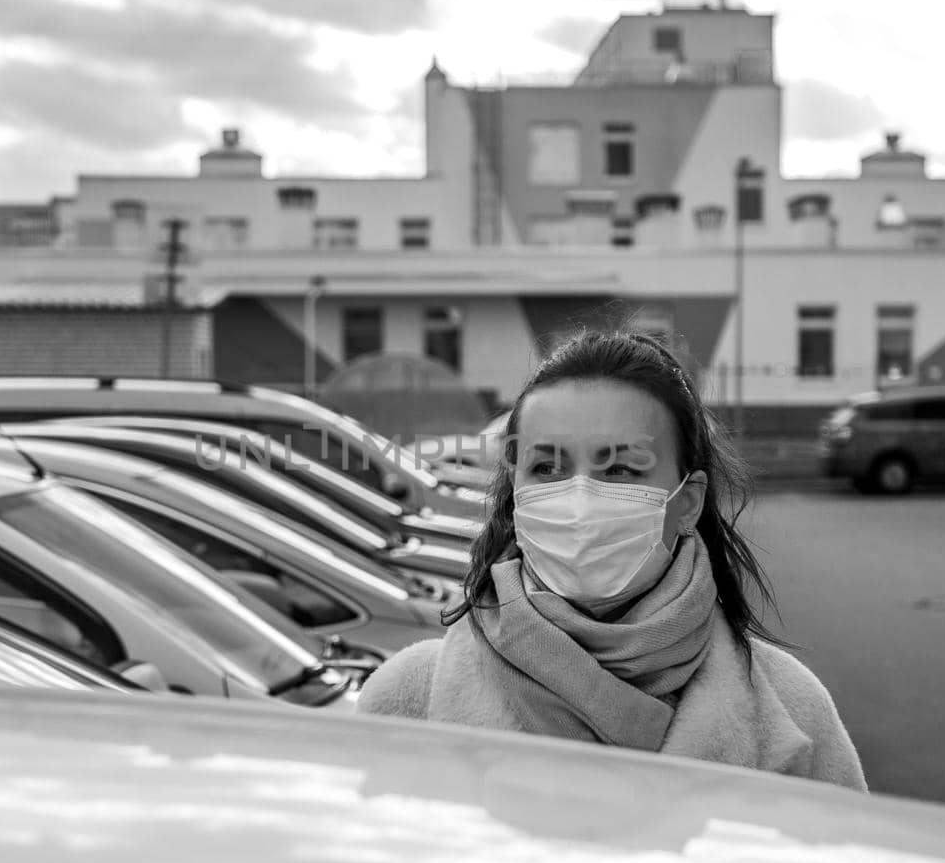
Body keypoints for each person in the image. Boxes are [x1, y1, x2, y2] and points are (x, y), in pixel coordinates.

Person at [358, 330, 867, 792]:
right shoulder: (407, 699)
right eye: (546, 467)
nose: (578, 497)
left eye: (620, 467)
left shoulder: (793, 710)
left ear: (687, 502)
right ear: (515, 496)